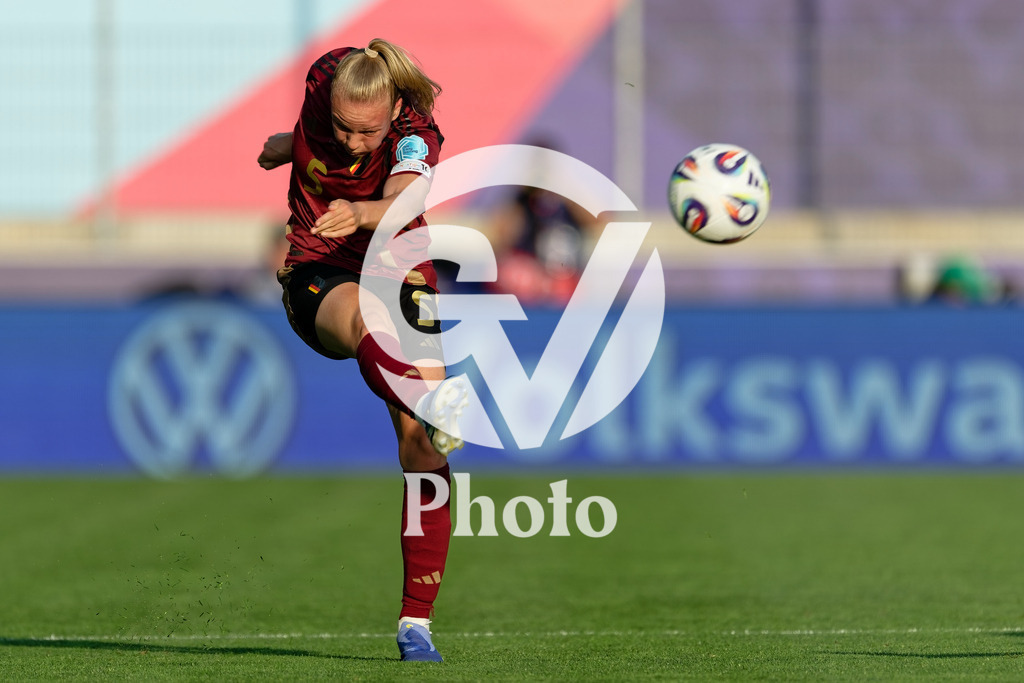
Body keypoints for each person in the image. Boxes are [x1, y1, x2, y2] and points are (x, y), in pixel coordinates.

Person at [257, 38, 467, 663]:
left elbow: (409, 198)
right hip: (318, 264)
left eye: (366, 132)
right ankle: (428, 392)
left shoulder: (414, 131)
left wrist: (361, 210)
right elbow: (318, 135)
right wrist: (291, 144)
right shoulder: (328, 75)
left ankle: (416, 624)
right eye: (343, 129)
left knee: (422, 444)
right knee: (362, 319)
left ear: (395, 109)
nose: (353, 142)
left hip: (398, 257)